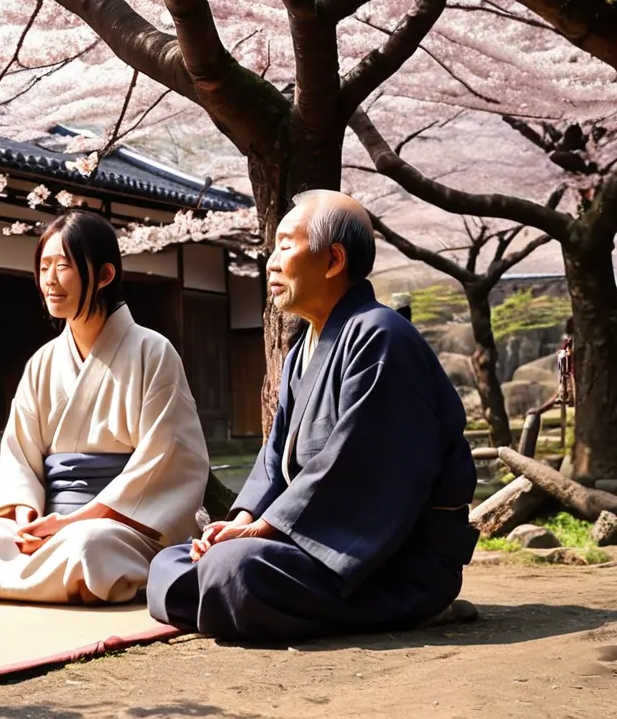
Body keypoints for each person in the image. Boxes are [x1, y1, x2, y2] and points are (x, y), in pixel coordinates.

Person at [147, 190, 479, 641]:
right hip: (310, 545)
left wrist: (265, 529)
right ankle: (229, 594)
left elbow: (360, 468)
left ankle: (413, 606)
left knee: (234, 569)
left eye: (285, 246)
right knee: (171, 562)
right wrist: (243, 521)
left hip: (390, 561)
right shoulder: (303, 349)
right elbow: (274, 458)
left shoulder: (382, 336)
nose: (270, 263)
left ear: (333, 259)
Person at [0, 210, 209, 604]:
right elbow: (19, 458)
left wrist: (71, 522)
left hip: (120, 525)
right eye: (44, 266)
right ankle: (55, 580)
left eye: (63, 266)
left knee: (89, 547)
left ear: (105, 275)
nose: (49, 279)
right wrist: (28, 519)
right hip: (48, 525)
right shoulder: (42, 362)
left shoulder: (153, 352)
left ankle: (34, 578)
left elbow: (167, 463)